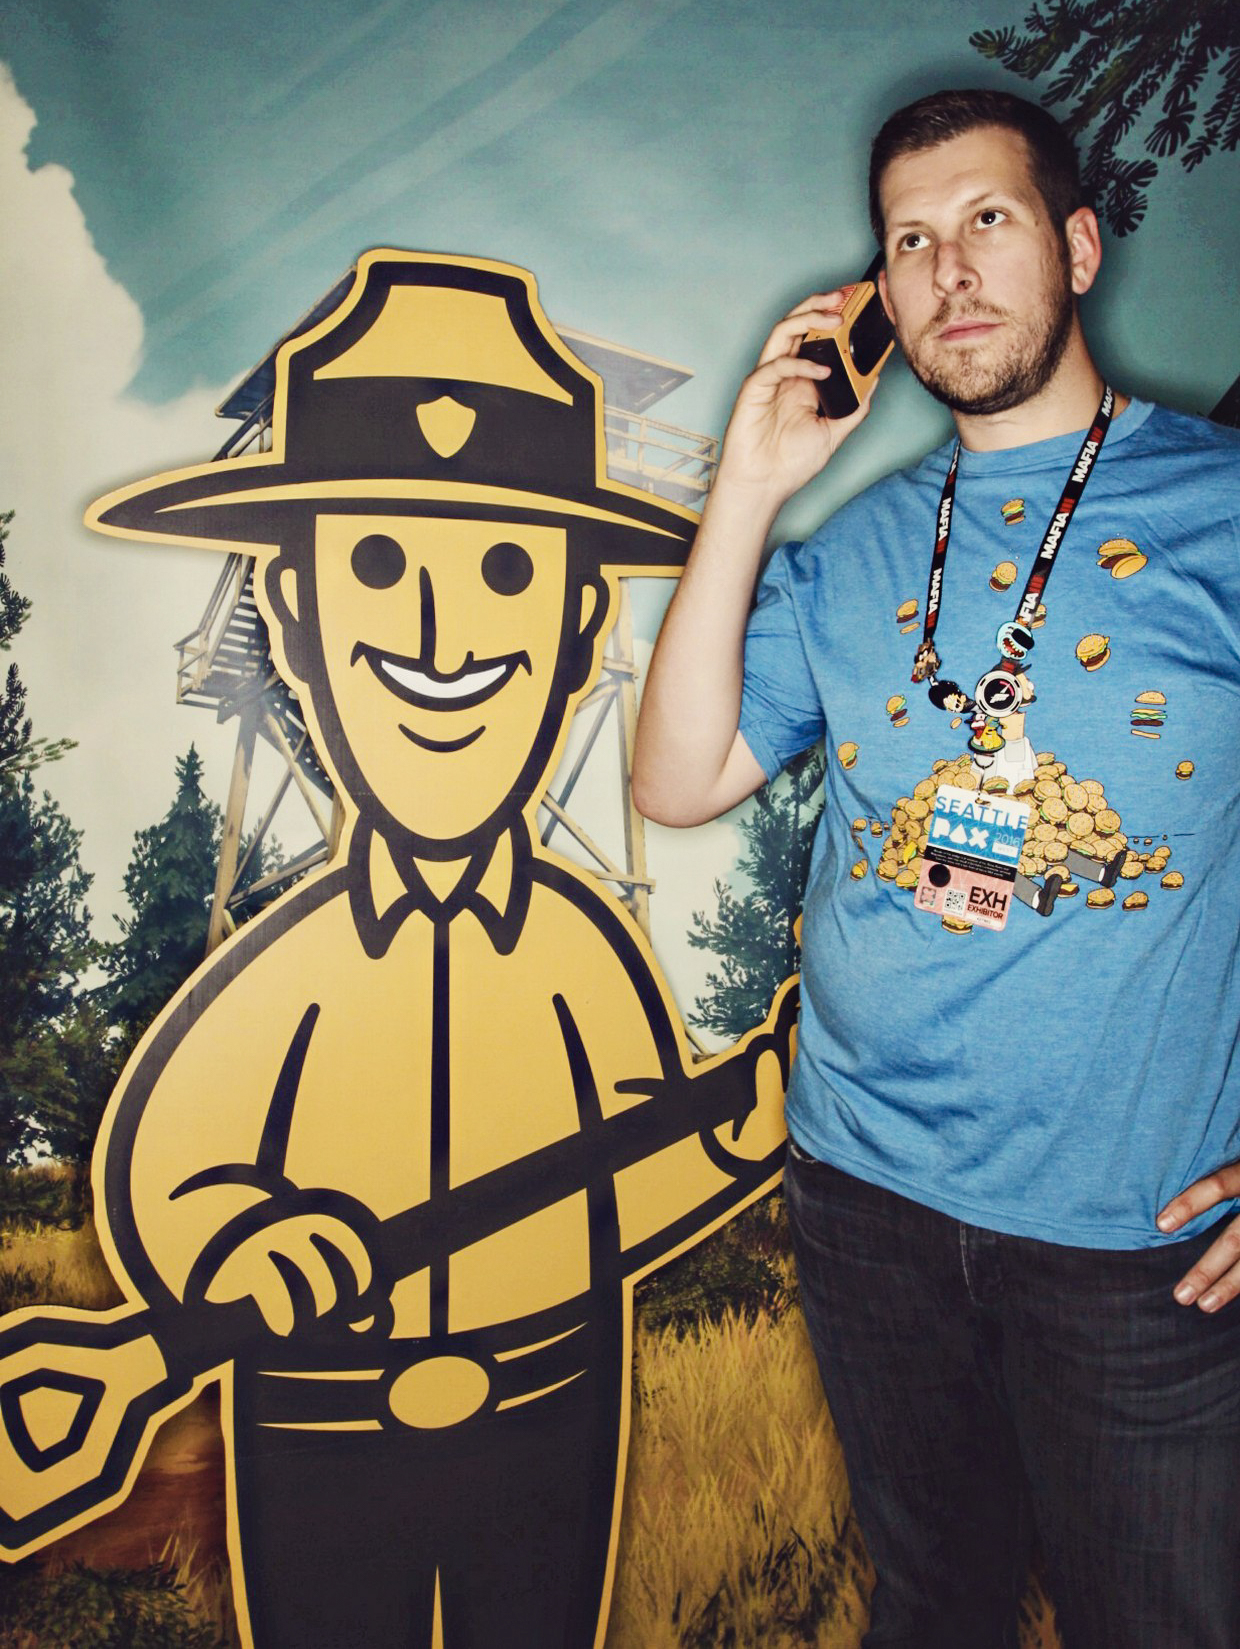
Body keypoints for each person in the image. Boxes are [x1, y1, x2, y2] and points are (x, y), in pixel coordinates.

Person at [0, 252, 788, 1649]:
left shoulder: (580, 951)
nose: (439, 632)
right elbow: (174, 1165)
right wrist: (240, 1234)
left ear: (577, 625)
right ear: (294, 613)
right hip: (319, 1429)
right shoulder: (283, 973)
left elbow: (619, 1181)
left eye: (505, 568)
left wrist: (738, 1134)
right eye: (375, 562)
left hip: (550, 1409)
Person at [633, 89, 1240, 1649]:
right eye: (909, 241)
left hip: (1139, 1243)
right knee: (933, 1606)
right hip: (867, 1204)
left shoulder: (1224, 511)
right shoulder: (848, 547)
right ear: (882, 300)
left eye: (988, 220)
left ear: (1079, 249)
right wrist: (749, 488)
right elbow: (676, 780)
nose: (949, 269)